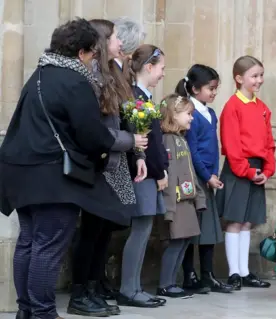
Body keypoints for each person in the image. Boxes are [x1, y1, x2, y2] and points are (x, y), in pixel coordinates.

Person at [0, 18, 129, 319]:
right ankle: (43, 312)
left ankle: (26, 310)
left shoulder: (40, 74)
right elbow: (91, 134)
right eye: (94, 54)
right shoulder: (74, 80)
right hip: (53, 177)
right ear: (84, 52)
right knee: (47, 245)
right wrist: (117, 144)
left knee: (29, 243)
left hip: (21, 172)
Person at [67, 19, 148, 317]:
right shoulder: (90, 75)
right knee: (90, 231)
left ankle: (93, 286)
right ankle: (81, 292)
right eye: (114, 37)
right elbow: (95, 127)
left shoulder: (110, 73)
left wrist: (135, 149)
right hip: (98, 161)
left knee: (101, 231)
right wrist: (129, 141)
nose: (120, 42)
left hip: (113, 158)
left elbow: (118, 118)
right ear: (102, 42)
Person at [216, 55, 276, 290]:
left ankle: (245, 271)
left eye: (261, 75)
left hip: (258, 169)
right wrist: (247, 171)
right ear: (239, 78)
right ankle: (234, 273)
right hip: (239, 168)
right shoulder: (232, 106)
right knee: (235, 221)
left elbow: (269, 143)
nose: (259, 80)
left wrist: (268, 170)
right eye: (254, 76)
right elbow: (231, 145)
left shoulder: (262, 109)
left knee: (248, 222)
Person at [116, 44, 168, 308]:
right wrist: (159, 171)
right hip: (142, 175)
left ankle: (134, 286)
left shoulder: (143, 97)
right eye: (161, 68)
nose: (162, 74)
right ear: (149, 67)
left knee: (145, 229)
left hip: (151, 174)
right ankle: (128, 288)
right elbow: (143, 144)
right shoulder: (135, 98)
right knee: (140, 230)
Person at [176, 64, 234, 294]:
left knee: (208, 228)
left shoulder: (209, 113)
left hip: (209, 178)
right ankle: (189, 274)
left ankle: (207, 274)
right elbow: (192, 150)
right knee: (191, 227)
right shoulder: (190, 114)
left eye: (215, 89)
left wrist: (213, 175)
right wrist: (206, 175)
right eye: (210, 88)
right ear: (195, 88)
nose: (213, 93)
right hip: (196, 178)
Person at [156, 94, 207, 298]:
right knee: (175, 243)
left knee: (185, 242)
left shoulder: (181, 140)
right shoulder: (168, 140)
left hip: (187, 203)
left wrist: (199, 198)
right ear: (174, 115)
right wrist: (169, 209)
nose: (191, 118)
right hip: (176, 204)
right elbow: (171, 176)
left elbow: (191, 173)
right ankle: (165, 284)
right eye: (188, 114)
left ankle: (172, 282)